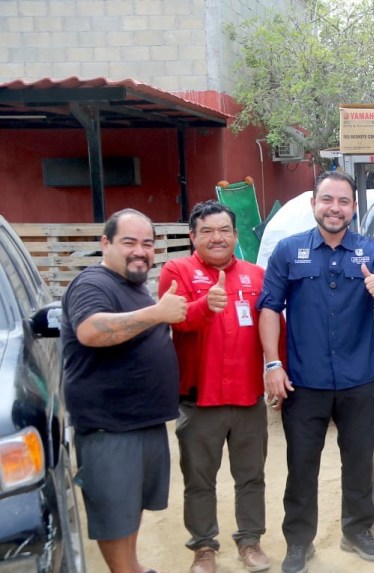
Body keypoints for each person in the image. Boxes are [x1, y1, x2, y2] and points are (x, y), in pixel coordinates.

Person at [257, 171, 374, 573]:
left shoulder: (370, 250)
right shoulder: (289, 252)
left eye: (343, 201)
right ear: (313, 204)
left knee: (359, 462)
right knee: (301, 466)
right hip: (304, 382)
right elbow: (270, 307)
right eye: (327, 200)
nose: (335, 208)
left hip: (358, 379)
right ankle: (299, 542)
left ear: (352, 208)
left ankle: (357, 531)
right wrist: (272, 362)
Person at [60, 208, 187, 573]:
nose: (140, 251)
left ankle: (132, 567)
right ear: (106, 243)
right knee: (114, 514)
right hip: (109, 427)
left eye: (147, 244)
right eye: (129, 242)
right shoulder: (92, 283)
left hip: (139, 422)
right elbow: (91, 330)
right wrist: (157, 314)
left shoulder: (132, 287)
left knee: (129, 509)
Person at [158, 201, 272, 573]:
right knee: (199, 479)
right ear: (193, 236)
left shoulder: (257, 276)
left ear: (236, 236)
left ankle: (251, 541)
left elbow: (274, 330)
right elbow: (173, 320)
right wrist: (204, 305)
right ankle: (204, 547)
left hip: (247, 398)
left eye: (224, 230)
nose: (217, 237)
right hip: (199, 399)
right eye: (207, 231)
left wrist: (277, 370)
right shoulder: (177, 271)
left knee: (251, 476)